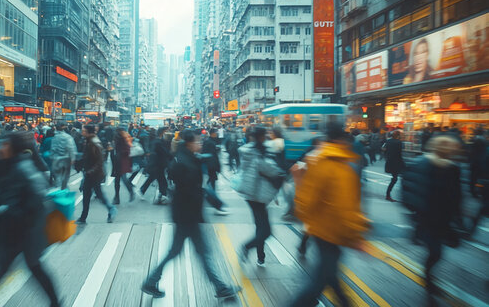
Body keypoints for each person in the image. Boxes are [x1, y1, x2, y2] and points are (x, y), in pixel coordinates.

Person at [141, 129, 240, 300]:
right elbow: (188, 190)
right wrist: (206, 196)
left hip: (185, 215)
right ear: (188, 143)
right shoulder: (184, 163)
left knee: (184, 252)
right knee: (198, 252)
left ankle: (151, 282)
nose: (200, 144)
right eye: (198, 141)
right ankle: (221, 287)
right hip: (187, 216)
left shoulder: (184, 157)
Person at [290, 122, 369, 307]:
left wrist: (309, 220)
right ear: (340, 140)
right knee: (319, 282)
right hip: (333, 231)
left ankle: (344, 302)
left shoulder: (317, 159)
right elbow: (345, 205)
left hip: (320, 229)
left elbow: (306, 202)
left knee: (329, 273)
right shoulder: (337, 164)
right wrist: (355, 235)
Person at [0, 132, 60, 307]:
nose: (0, 147)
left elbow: (32, 200)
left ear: (12, 147)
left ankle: (56, 303)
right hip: (20, 229)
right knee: (20, 266)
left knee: (31, 267)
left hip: (24, 231)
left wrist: (0, 211)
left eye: (4, 144)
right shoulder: (16, 164)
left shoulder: (20, 168)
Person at [401, 135, 462, 301]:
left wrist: (458, 219)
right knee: (435, 251)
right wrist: (414, 211)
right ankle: (428, 281)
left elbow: (456, 196)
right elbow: (407, 189)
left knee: (437, 252)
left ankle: (429, 279)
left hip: (442, 218)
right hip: (425, 217)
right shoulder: (421, 164)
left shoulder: (453, 169)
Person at [235, 126, 285, 266]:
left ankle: (260, 256)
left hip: (251, 194)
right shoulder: (260, 151)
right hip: (259, 194)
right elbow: (270, 169)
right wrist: (280, 173)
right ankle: (247, 247)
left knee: (260, 226)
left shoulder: (247, 150)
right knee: (266, 231)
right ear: (262, 136)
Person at [77, 124, 117, 223]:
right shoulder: (89, 141)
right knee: (89, 195)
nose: (82, 133)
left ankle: (111, 209)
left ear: (89, 132)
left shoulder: (95, 143)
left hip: (94, 174)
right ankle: (83, 217)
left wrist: (90, 171)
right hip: (90, 173)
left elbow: (100, 161)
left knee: (95, 194)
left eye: (84, 131)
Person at [139, 127, 171, 204]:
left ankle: (143, 190)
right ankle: (162, 196)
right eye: (166, 132)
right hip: (157, 165)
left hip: (158, 165)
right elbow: (165, 152)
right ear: (162, 133)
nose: (168, 133)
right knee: (162, 181)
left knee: (156, 179)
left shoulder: (158, 141)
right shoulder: (158, 142)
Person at [112, 128, 136, 204]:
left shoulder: (124, 139)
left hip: (122, 161)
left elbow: (128, 150)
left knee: (122, 179)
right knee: (118, 180)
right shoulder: (120, 138)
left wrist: (119, 154)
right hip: (119, 161)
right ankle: (117, 197)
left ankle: (129, 192)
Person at [50, 123, 77, 190]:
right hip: (65, 159)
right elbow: (71, 148)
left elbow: (52, 148)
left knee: (58, 177)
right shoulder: (67, 137)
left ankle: (59, 190)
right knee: (65, 177)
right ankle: (63, 190)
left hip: (55, 160)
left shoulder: (54, 137)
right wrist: (73, 158)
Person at [384, 130, 404, 202]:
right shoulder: (399, 143)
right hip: (396, 163)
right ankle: (388, 195)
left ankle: (388, 195)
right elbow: (399, 154)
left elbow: (384, 151)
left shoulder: (388, 141)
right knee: (395, 179)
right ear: (398, 135)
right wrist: (403, 163)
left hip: (389, 162)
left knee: (394, 178)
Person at [469, 128, 487, 198]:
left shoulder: (476, 139)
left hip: (475, 162)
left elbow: (472, 152)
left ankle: (473, 191)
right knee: (477, 178)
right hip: (479, 162)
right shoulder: (482, 139)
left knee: (473, 178)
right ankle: (476, 192)